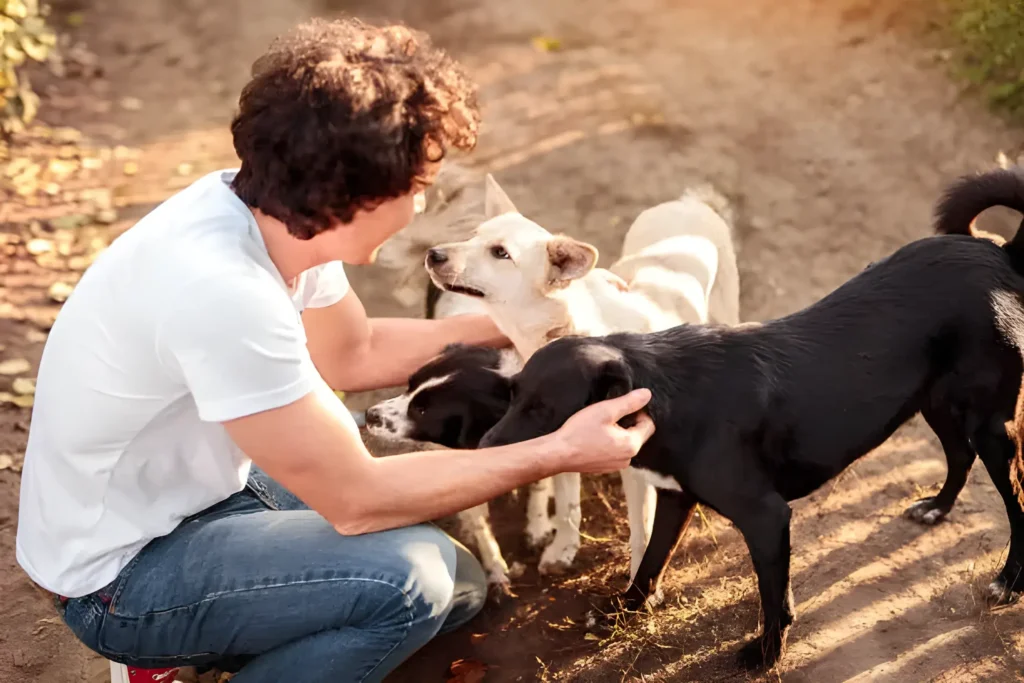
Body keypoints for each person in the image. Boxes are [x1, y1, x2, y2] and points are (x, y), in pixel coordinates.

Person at [15, 16, 655, 683]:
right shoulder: (222, 290)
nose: (422, 202)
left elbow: (358, 351)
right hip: (117, 573)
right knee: (413, 585)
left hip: (192, 492)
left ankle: (225, 633)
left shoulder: (274, 214)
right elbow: (358, 497)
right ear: (354, 196)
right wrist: (557, 450)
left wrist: (523, 320)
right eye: (415, 186)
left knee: (460, 584)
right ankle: (165, 650)